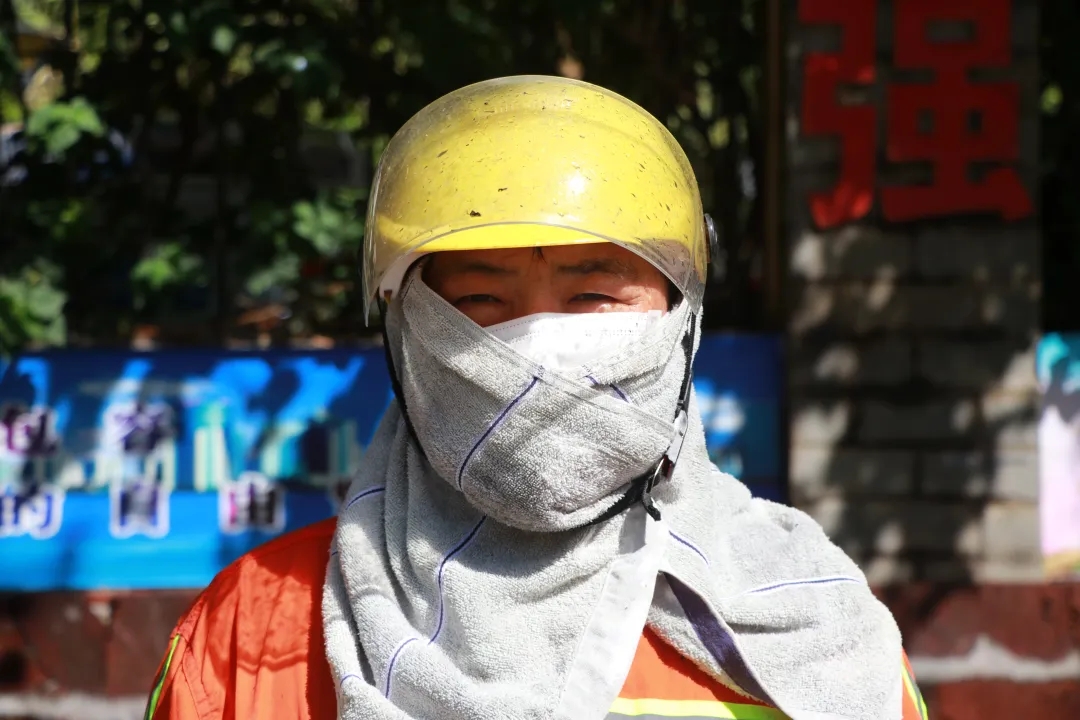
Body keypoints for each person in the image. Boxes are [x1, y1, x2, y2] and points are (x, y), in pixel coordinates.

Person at [144, 76, 928, 720]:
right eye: (480, 301)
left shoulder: (816, 635)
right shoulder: (253, 631)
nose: (535, 346)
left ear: (680, 322)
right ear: (407, 332)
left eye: (593, 296)